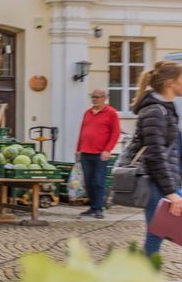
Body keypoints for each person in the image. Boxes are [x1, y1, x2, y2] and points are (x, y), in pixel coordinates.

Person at [120, 61, 182, 257]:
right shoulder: (155, 111)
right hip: (157, 183)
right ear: (171, 82)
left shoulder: (166, 108)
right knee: (155, 235)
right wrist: (171, 193)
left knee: (156, 235)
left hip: (169, 181)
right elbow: (155, 155)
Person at [75, 88, 121, 219]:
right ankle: (92, 207)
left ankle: (99, 208)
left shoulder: (111, 113)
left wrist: (108, 150)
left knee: (99, 182)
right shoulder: (87, 113)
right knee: (89, 182)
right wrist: (78, 149)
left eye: (97, 97)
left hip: (101, 154)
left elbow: (115, 133)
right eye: (92, 96)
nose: (94, 99)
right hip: (85, 152)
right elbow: (82, 132)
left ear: (104, 98)